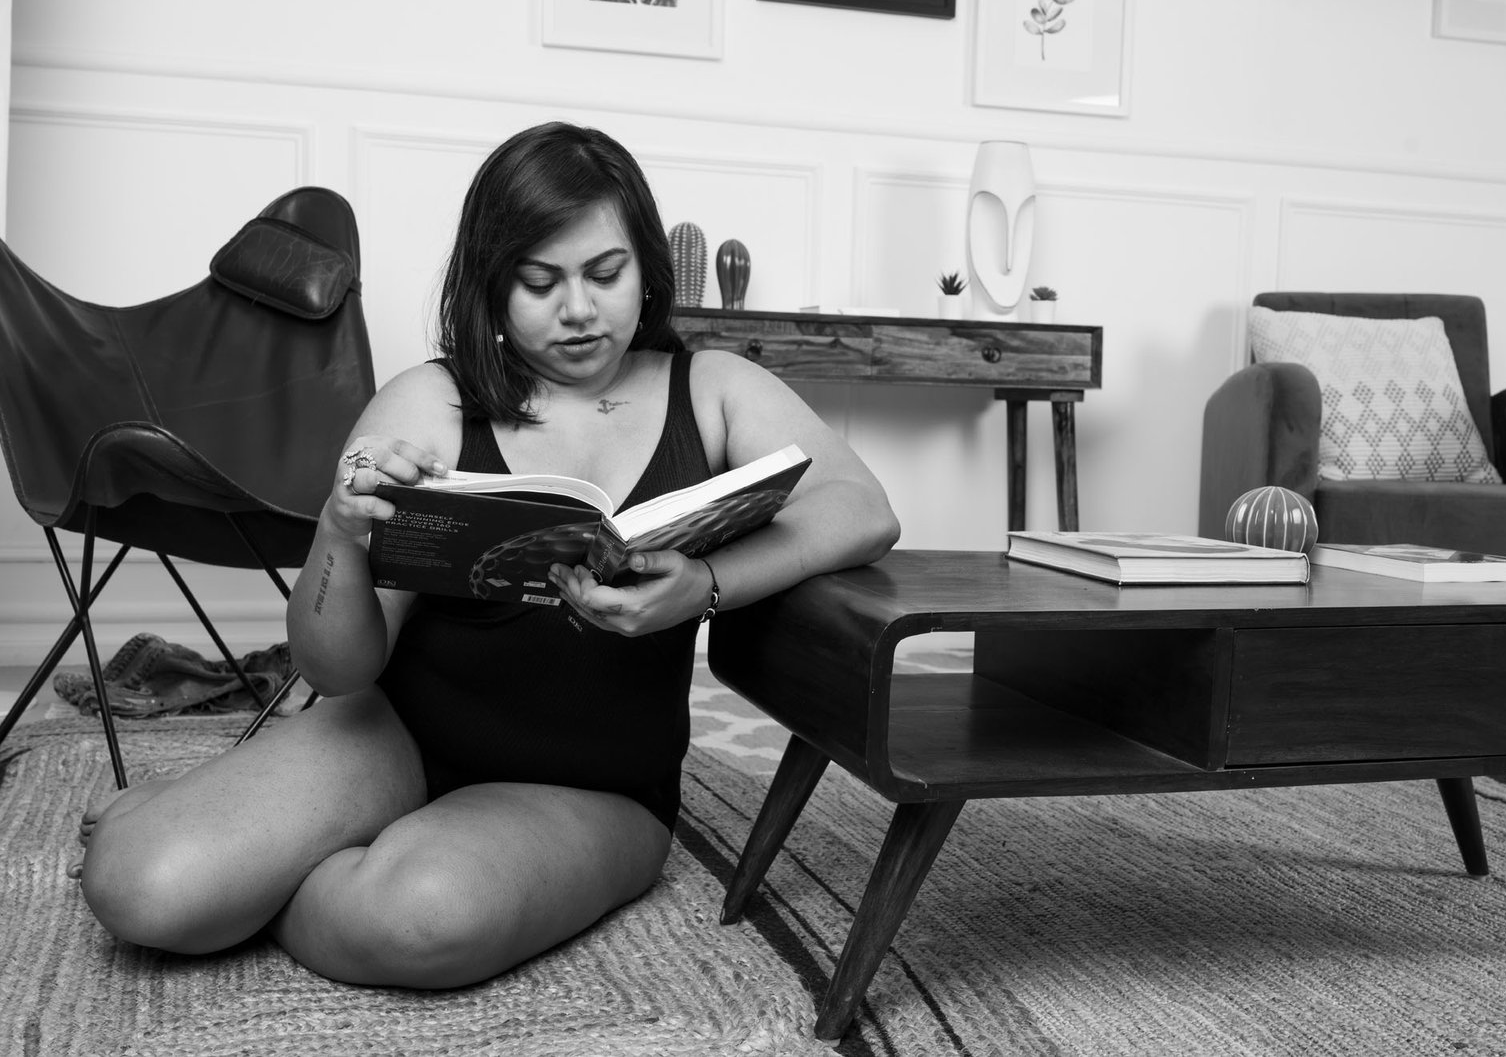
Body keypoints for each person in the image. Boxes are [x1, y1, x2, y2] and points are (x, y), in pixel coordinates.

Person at [76, 121, 900, 989]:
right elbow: (337, 669)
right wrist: (339, 531)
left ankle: (268, 877)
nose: (578, 310)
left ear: (648, 270)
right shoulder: (430, 402)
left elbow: (863, 509)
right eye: (539, 282)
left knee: (418, 918)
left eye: (606, 274)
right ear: (491, 285)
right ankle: (228, 849)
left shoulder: (716, 389)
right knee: (139, 889)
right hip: (394, 736)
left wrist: (708, 585)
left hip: (598, 787)